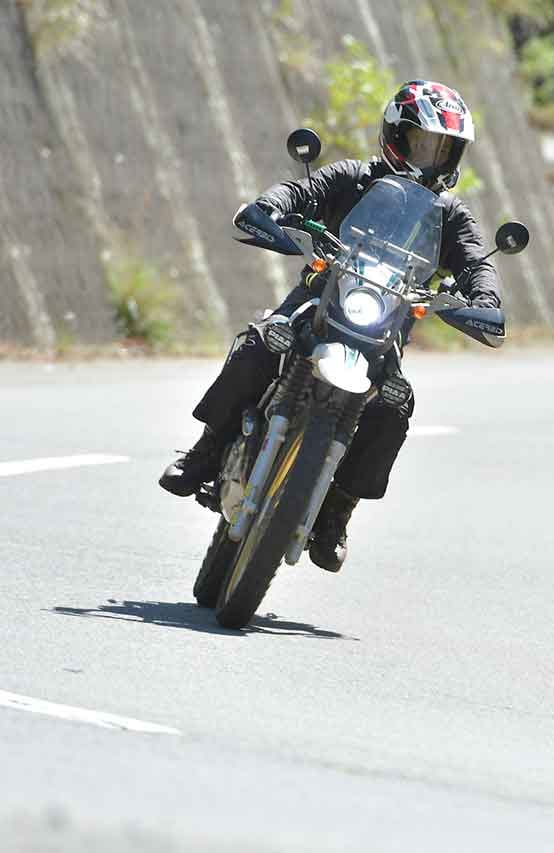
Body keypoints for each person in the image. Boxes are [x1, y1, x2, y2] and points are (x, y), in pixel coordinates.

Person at [160, 80, 500, 572]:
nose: (431, 158)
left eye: (444, 150)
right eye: (422, 143)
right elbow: (301, 190)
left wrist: (484, 297)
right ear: (395, 135)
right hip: (321, 297)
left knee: (393, 405)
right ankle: (208, 448)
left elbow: (475, 262)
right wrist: (269, 209)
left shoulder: (449, 215)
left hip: (385, 323)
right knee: (261, 341)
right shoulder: (354, 177)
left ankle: (338, 509)